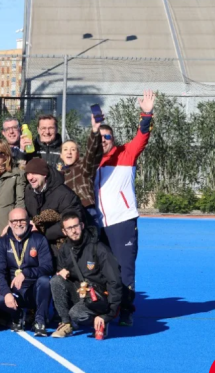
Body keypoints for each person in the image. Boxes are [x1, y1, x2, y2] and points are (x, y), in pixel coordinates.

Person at [96, 89, 155, 327]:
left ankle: (127, 310)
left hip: (122, 222)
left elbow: (142, 137)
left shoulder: (125, 153)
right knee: (101, 270)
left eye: (107, 137)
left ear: (113, 139)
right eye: (100, 137)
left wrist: (147, 114)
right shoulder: (91, 160)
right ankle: (106, 307)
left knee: (125, 269)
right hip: (97, 224)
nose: (103, 140)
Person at [50, 212, 122, 340]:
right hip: (81, 292)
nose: (74, 231)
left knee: (76, 314)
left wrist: (109, 314)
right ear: (64, 231)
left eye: (76, 226)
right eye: (69, 228)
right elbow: (62, 271)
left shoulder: (99, 248)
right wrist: (64, 272)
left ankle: (100, 320)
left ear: (82, 225)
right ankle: (66, 324)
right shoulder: (65, 249)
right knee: (56, 281)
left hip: (98, 296)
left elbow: (115, 281)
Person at [0, 208, 53, 336]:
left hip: (33, 289)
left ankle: (40, 320)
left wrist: (26, 273)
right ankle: (18, 315)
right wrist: (7, 293)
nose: (18, 224)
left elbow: (48, 267)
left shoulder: (39, 239)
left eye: (22, 220)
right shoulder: (3, 242)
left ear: (28, 221)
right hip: (15, 290)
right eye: (14, 221)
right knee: (1, 298)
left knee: (45, 281)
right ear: (9, 223)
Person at [23, 158, 83, 246]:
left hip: (61, 242)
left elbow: (72, 220)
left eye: (34, 173)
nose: (30, 177)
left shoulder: (64, 194)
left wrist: (43, 233)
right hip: (37, 241)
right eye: (28, 174)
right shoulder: (29, 191)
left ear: (44, 174)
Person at [60, 124, 104, 219]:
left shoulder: (83, 167)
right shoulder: (58, 175)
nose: (69, 152)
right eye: (65, 149)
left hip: (86, 210)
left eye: (73, 150)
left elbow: (91, 153)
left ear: (78, 154)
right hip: (68, 214)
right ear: (61, 155)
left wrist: (95, 132)